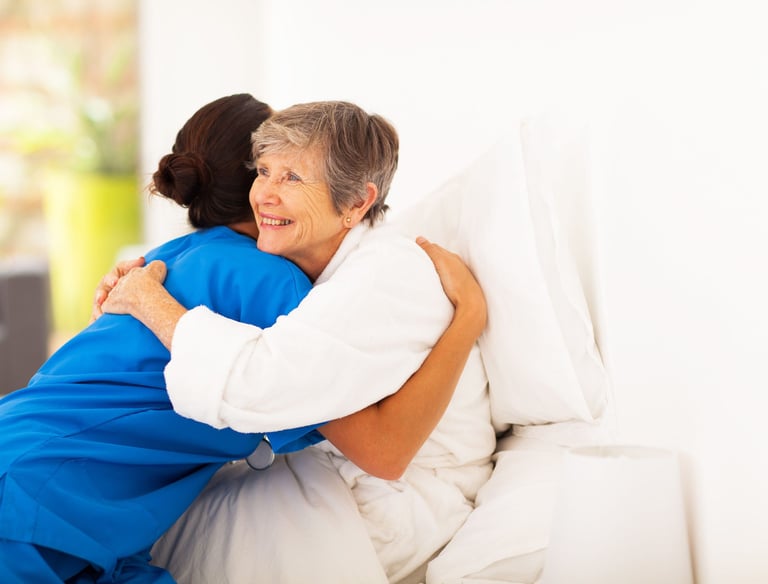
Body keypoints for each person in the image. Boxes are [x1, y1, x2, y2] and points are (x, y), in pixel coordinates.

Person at [0, 94, 486, 583]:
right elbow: (376, 444)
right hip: (42, 497)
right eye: (265, 170)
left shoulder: (172, 255)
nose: (269, 190)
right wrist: (467, 318)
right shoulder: (273, 284)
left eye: (291, 176)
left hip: (61, 494)